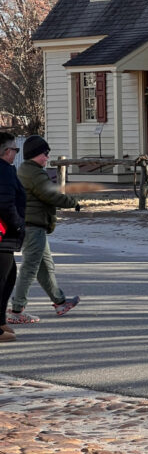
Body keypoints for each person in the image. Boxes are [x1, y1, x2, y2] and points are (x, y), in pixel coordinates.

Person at [7, 135, 80, 324]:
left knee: (46, 267)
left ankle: (60, 302)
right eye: (44, 154)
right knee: (30, 268)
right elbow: (51, 194)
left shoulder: (27, 170)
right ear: (35, 155)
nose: (47, 157)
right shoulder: (34, 173)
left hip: (32, 226)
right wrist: (73, 203)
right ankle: (17, 309)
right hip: (33, 227)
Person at [0, 133, 26, 343]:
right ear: (6, 152)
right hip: (3, 234)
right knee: (2, 280)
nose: (16, 153)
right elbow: (6, 203)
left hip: (5, 236)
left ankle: (0, 320)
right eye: (15, 150)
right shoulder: (6, 172)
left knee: (9, 277)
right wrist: (18, 224)